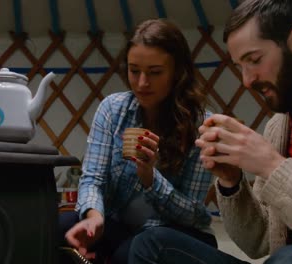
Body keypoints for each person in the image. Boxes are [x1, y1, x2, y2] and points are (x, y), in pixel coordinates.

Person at [128, 0, 292, 263]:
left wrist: (273, 166)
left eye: (254, 60)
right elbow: (258, 242)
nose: (247, 80)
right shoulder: (279, 125)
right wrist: (231, 182)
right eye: (240, 66)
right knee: (153, 244)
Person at [59, 18, 217, 264]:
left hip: (176, 235)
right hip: (120, 227)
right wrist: (94, 216)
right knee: (60, 227)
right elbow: (93, 178)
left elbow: (192, 214)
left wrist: (151, 180)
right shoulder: (113, 110)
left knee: (134, 251)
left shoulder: (202, 127)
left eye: (155, 72)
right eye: (134, 70)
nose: (142, 83)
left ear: (177, 72)